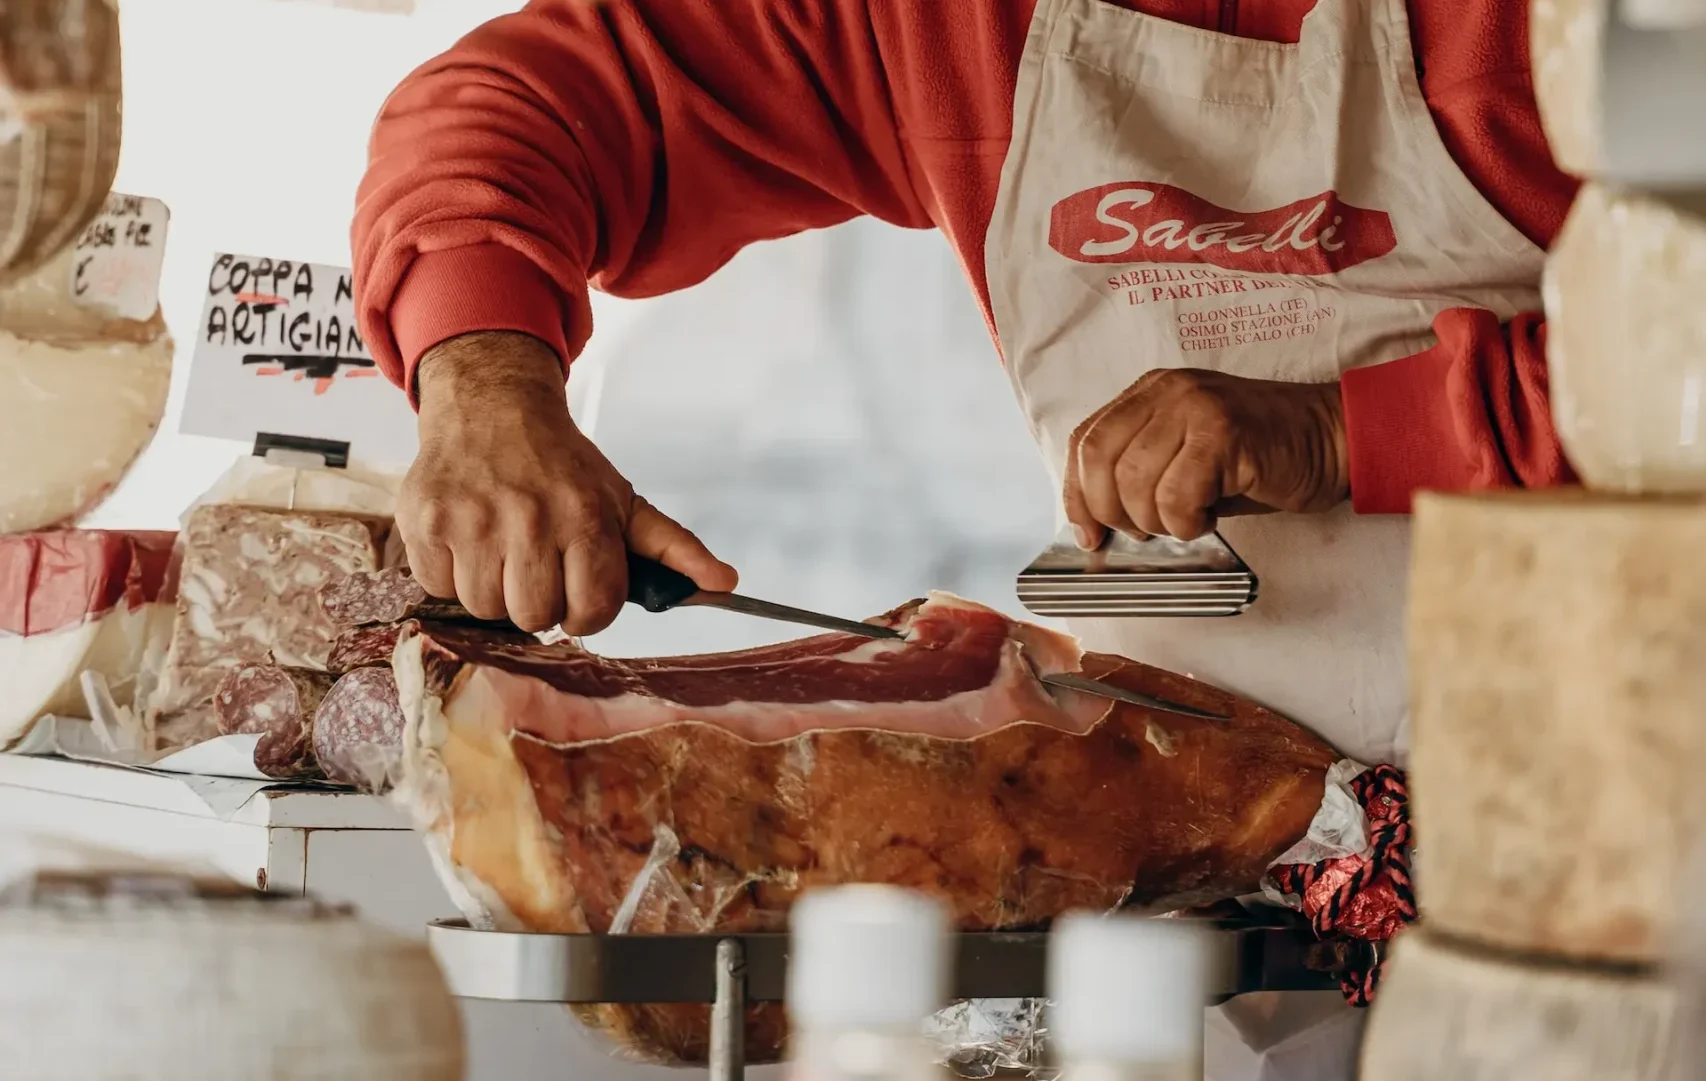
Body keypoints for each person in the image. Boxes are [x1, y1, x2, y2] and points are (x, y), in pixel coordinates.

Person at [353, 0, 1575, 774]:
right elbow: (523, 103)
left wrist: (1350, 428)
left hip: (1612, 813)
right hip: (1175, 828)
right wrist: (486, 380)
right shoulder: (936, 23)